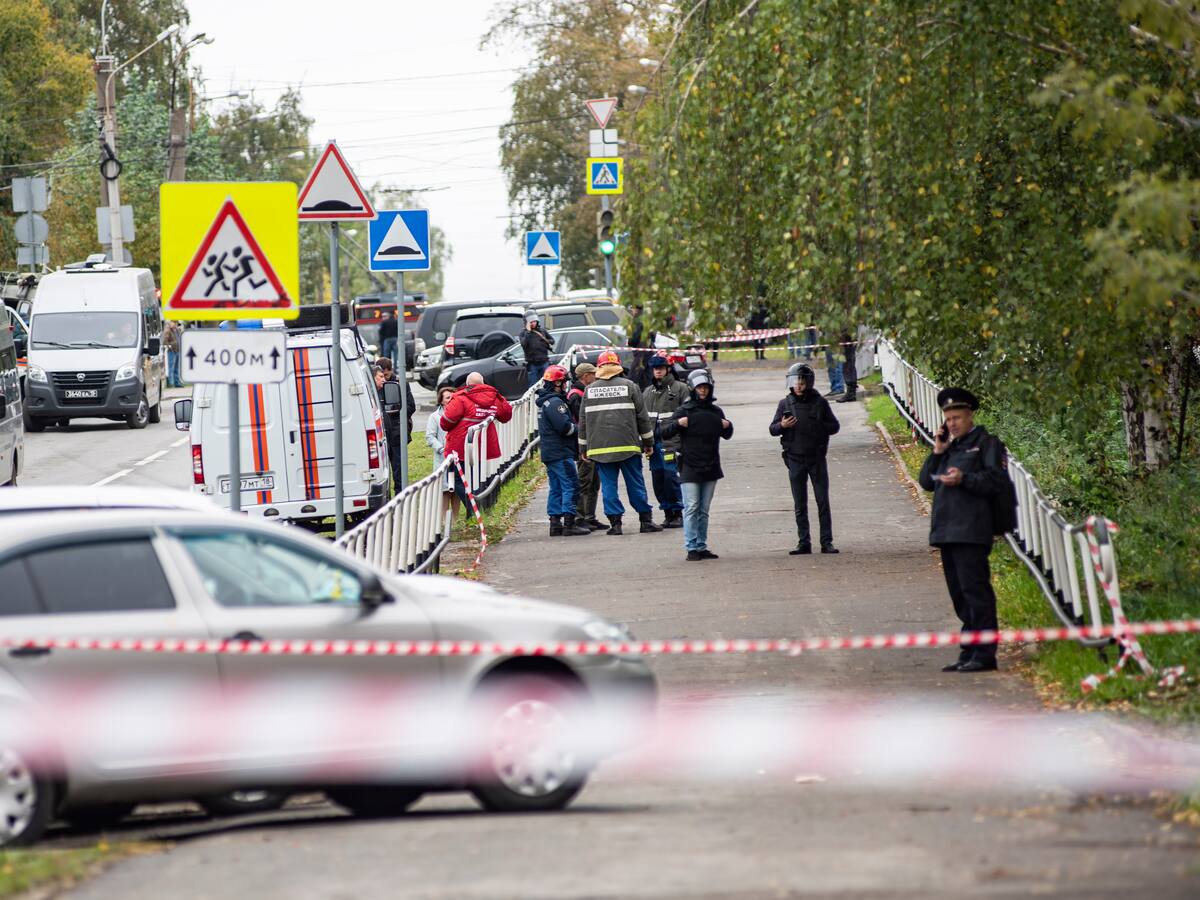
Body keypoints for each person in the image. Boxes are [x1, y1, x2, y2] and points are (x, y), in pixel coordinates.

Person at [918, 388, 1009, 673]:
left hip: (972, 529)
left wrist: (965, 478)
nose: (952, 423)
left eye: (957, 417)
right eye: (948, 419)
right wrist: (937, 452)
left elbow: (996, 481)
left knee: (975, 592)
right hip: (947, 530)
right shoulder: (950, 448)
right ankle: (969, 650)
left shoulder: (987, 445)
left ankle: (985, 653)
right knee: (959, 594)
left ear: (970, 416)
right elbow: (926, 482)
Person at [577, 349, 662, 535]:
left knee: (608, 486)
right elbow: (643, 418)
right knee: (635, 484)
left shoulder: (589, 391)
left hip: (600, 450)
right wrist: (648, 442)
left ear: (599, 368)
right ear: (617, 366)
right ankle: (645, 521)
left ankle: (615, 525)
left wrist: (583, 448)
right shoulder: (630, 386)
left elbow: (583, 422)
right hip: (628, 447)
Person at [659, 370, 733, 561]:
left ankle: (701, 545)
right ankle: (691, 547)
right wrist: (678, 423)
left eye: (706, 387)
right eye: (699, 387)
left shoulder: (715, 411)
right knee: (692, 506)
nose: (703, 390)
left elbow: (727, 434)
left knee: (703, 510)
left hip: (711, 465)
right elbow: (664, 432)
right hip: (689, 466)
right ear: (692, 388)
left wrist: (728, 425)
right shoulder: (684, 410)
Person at [770, 362, 841, 555]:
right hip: (794, 458)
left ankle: (826, 542)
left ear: (808, 382)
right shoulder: (785, 404)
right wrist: (782, 425)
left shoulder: (820, 402)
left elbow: (834, 426)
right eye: (795, 382)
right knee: (800, 503)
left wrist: (819, 425)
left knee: (822, 501)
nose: (798, 386)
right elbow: (772, 429)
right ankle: (804, 542)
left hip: (816, 458)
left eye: (802, 382)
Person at [441, 372, 513, 510]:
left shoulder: (461, 398)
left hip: (461, 448)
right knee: (477, 480)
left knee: (456, 480)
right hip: (483, 448)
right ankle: (479, 509)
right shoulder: (494, 397)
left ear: (467, 384)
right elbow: (506, 415)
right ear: (483, 383)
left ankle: (474, 509)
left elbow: (446, 422)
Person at [537, 365, 591, 536]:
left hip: (550, 452)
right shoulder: (556, 403)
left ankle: (555, 523)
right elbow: (565, 428)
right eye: (564, 382)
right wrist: (581, 429)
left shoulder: (546, 402)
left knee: (557, 487)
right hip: (560, 452)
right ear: (557, 383)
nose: (566, 385)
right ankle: (569, 523)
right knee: (571, 485)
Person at [642, 354, 688, 527]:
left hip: (673, 443)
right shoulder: (648, 392)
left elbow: (689, 415)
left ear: (669, 369)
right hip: (654, 445)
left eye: (661, 368)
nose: (658, 371)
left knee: (671, 477)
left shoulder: (681, 389)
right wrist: (645, 442)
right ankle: (667, 512)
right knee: (658, 479)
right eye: (655, 369)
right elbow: (643, 419)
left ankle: (677, 512)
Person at [426, 385, 459, 515]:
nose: (450, 400)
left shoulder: (460, 414)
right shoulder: (434, 417)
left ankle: (455, 520)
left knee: (456, 490)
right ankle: (443, 520)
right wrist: (441, 449)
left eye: (452, 397)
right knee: (445, 491)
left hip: (457, 458)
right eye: (447, 398)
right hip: (442, 459)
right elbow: (430, 437)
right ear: (441, 401)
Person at [373, 365, 405, 490]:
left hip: (392, 437)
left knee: (397, 470)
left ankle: (400, 495)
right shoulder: (371, 396)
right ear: (372, 377)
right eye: (380, 377)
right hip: (378, 441)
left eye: (384, 376)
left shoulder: (388, 389)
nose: (384, 379)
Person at [375, 357, 415, 444]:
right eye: (381, 376)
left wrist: (394, 411)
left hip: (398, 429)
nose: (384, 379)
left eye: (386, 375)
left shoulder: (401, 384)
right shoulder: (376, 386)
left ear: (391, 370)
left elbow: (411, 406)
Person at [519, 312, 554, 388]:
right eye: (531, 322)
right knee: (533, 385)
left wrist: (545, 342)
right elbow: (524, 344)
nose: (533, 323)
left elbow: (552, 341)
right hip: (532, 364)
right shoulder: (523, 333)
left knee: (547, 383)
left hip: (544, 361)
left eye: (534, 321)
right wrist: (528, 332)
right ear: (526, 322)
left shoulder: (542, 331)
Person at [838, 331, 858, 403]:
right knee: (848, 366)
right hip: (847, 340)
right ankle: (851, 393)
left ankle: (851, 393)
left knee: (848, 366)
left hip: (848, 341)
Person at [163, 319, 181, 388]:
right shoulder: (168, 331)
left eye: (176, 323)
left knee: (177, 368)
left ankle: (177, 383)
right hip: (172, 351)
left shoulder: (177, 330)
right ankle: (171, 383)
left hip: (178, 350)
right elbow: (165, 341)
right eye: (174, 323)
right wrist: (170, 346)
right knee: (171, 367)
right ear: (171, 323)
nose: (175, 324)